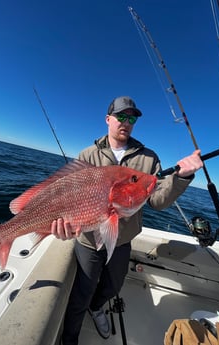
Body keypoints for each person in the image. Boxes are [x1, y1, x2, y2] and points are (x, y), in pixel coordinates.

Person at [52, 96, 203, 345]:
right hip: (88, 241)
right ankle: (70, 339)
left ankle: (97, 307)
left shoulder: (149, 158)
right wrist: (64, 225)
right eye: (121, 116)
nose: (126, 122)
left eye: (131, 118)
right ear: (108, 119)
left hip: (122, 241)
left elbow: (157, 200)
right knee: (81, 293)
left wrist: (182, 177)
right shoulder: (88, 154)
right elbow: (70, 197)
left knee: (112, 287)